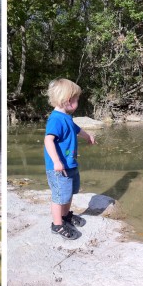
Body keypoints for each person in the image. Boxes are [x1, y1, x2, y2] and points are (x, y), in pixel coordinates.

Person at [43, 78, 96, 240]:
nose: (78, 102)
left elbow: (76, 129)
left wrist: (88, 136)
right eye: (77, 99)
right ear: (68, 101)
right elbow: (48, 140)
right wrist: (57, 161)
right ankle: (57, 225)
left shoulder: (66, 117)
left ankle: (65, 216)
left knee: (68, 193)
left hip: (70, 164)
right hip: (59, 167)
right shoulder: (56, 119)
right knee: (59, 197)